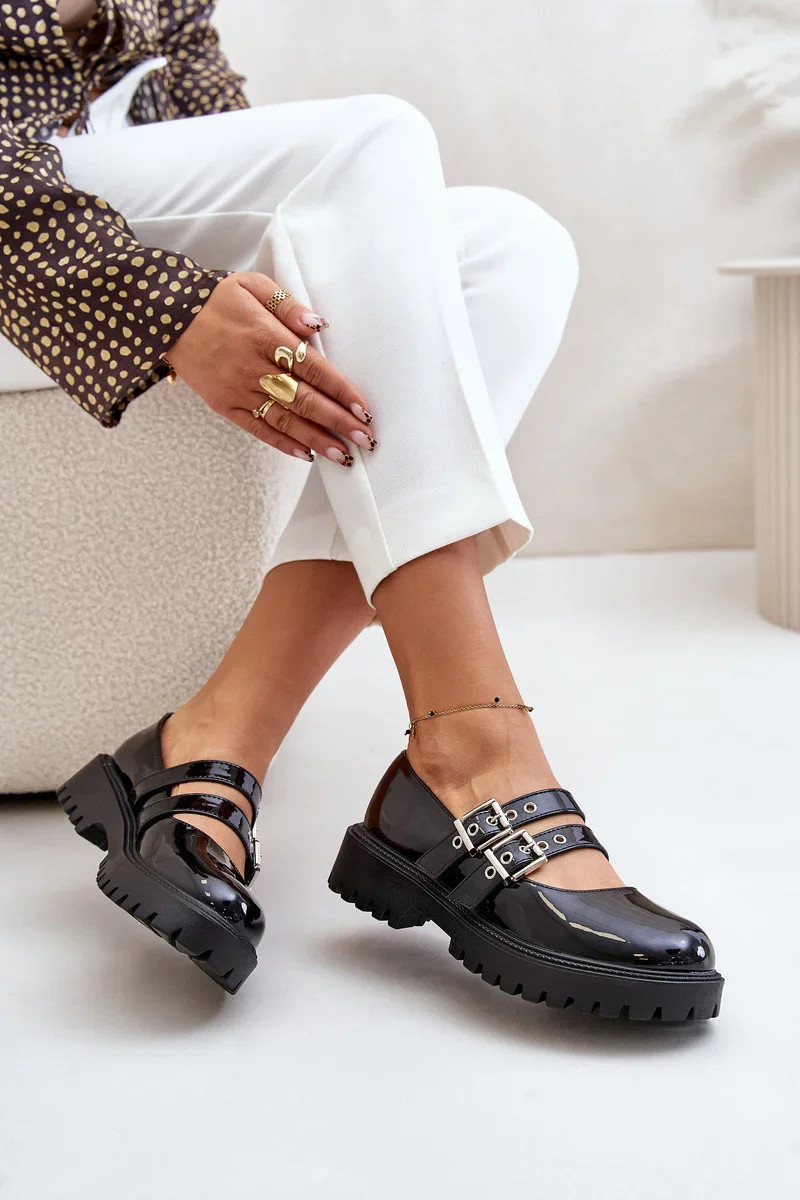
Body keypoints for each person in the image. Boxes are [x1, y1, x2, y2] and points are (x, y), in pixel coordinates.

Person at [4, 1, 723, 1020]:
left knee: (510, 247)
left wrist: (251, 278)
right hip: (23, 240)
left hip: (79, 208)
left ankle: (217, 732)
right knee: (367, 139)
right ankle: (473, 750)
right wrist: (159, 303)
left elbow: (220, 126)